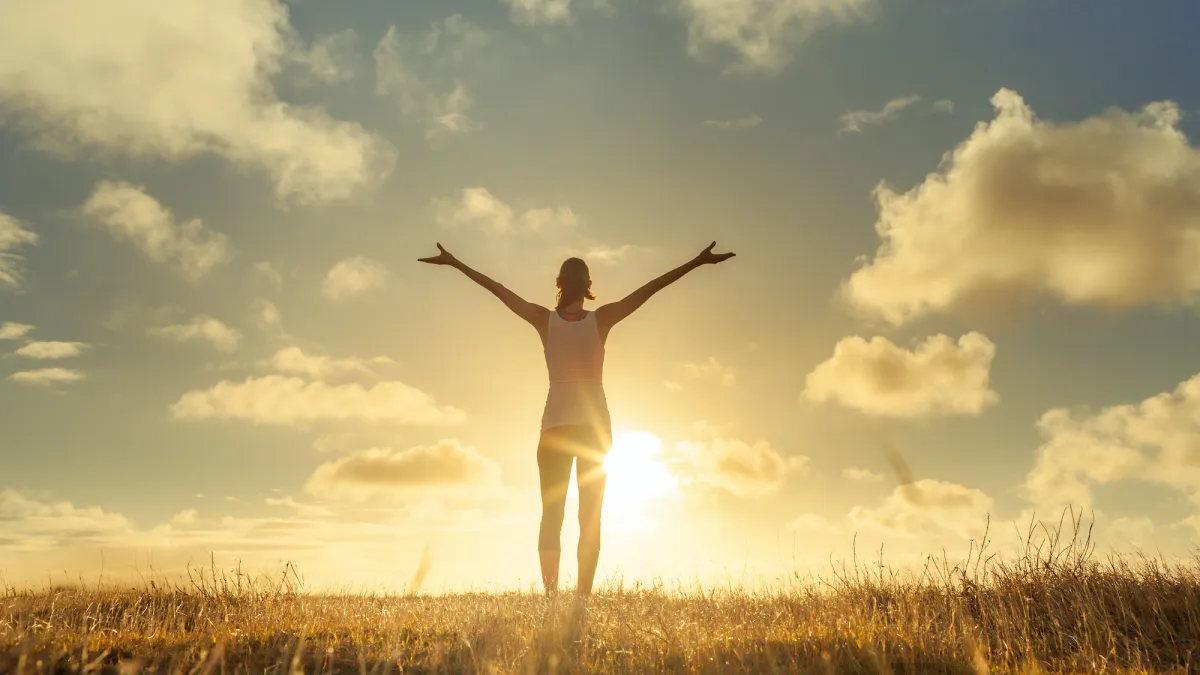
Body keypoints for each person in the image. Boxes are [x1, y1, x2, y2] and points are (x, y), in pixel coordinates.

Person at [418, 241, 735, 595]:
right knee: (590, 517)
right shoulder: (602, 320)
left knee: (551, 516)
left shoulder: (545, 321)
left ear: (559, 284)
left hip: (554, 429)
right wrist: (696, 261)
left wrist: (456, 262)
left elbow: (499, 290)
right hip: (594, 432)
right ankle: (582, 597)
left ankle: (552, 597)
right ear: (587, 285)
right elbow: (651, 288)